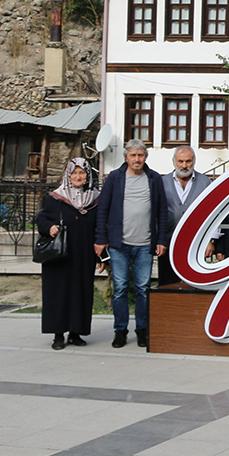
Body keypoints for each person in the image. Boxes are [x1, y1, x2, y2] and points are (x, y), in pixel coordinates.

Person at [95, 140, 168, 349]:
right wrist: (101, 239)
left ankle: (142, 330)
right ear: (126, 157)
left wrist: (161, 239)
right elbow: (103, 211)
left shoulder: (153, 179)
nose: (137, 159)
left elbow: (162, 211)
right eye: (133, 155)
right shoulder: (115, 179)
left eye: (141, 155)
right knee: (120, 289)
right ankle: (120, 331)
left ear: (145, 157)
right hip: (119, 244)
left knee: (143, 289)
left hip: (145, 245)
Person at [37, 158, 99, 349]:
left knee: (81, 292)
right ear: (68, 175)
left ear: (88, 175)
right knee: (59, 292)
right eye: (74, 173)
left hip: (84, 254)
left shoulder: (96, 199)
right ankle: (58, 334)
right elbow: (41, 218)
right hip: (60, 255)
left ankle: (75, 332)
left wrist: (101, 256)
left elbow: (101, 227)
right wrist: (50, 228)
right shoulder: (55, 197)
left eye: (82, 173)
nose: (78, 177)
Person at [160, 146, 210, 286]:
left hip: (196, 242)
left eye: (188, 161)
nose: (184, 165)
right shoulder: (162, 183)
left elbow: (212, 211)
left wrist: (211, 239)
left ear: (194, 161)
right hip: (168, 241)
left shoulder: (205, 182)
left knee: (195, 283)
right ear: (173, 161)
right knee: (168, 283)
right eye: (180, 161)